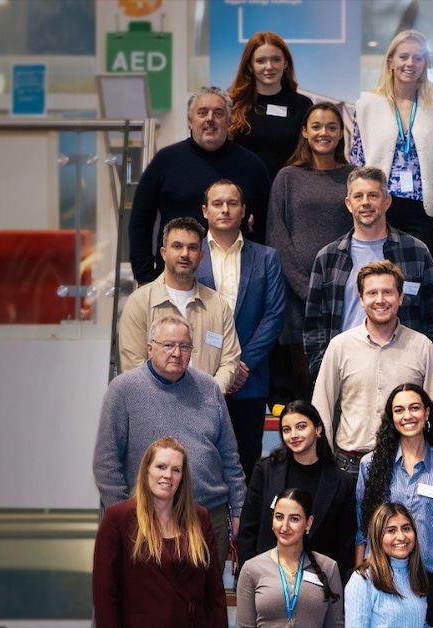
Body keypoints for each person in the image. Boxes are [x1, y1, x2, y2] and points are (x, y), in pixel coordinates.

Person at [94, 315, 246, 562]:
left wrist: (239, 508)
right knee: (152, 598)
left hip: (208, 515)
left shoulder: (208, 388)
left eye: (185, 346)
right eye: (168, 345)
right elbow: (106, 463)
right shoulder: (123, 390)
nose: (177, 353)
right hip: (147, 519)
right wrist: (123, 516)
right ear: (150, 348)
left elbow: (229, 456)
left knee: (206, 598)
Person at [305, 167, 433, 378]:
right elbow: (314, 325)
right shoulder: (328, 258)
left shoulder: (416, 252)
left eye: (373, 195)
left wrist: (423, 367)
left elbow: (432, 319)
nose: (365, 202)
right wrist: (323, 371)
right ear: (349, 204)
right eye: (358, 196)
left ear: (387, 201)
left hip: (404, 371)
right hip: (344, 371)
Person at [312, 261, 433, 476]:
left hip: (405, 465)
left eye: (388, 292)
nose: (380, 300)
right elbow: (321, 409)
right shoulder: (340, 346)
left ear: (400, 297)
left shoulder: (422, 347)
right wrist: (323, 465)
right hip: (349, 465)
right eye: (372, 293)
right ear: (361, 299)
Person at [129, 86, 271, 282]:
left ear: (229, 121)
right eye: (202, 112)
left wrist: (259, 274)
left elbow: (267, 225)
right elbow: (140, 221)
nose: (210, 119)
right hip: (175, 278)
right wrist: (144, 276)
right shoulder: (166, 161)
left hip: (237, 279)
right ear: (190, 121)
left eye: (218, 113)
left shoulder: (251, 165)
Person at [267, 102, 357, 405]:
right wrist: (309, 290)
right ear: (305, 131)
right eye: (316, 126)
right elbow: (278, 238)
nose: (324, 133)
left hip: (345, 298)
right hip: (298, 300)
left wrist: (336, 291)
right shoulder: (287, 178)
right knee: (306, 390)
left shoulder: (353, 177)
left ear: (341, 134)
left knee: (347, 388)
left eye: (332, 127)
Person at [197, 179, 286, 480]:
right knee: (199, 462)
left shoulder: (266, 257)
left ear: (244, 210)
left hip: (250, 378)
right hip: (199, 377)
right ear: (205, 211)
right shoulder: (191, 257)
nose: (225, 209)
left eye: (232, 203)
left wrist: (239, 365)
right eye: (218, 204)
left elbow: (274, 315)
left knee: (246, 463)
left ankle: (241, 527)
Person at [93, 436, 227, 627]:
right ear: (146, 469)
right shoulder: (117, 519)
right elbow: (104, 595)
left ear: (182, 477)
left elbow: (214, 593)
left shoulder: (200, 518)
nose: (168, 475)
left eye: (176, 470)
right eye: (161, 467)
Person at [356, 385, 433, 626]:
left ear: (426, 414)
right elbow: (362, 530)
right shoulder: (370, 465)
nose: (407, 416)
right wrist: (359, 574)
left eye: (414, 408)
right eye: (399, 410)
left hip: (429, 580)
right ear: (391, 418)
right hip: (381, 577)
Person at [350, 30, 433, 260]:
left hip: (423, 207)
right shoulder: (367, 105)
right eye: (403, 57)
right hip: (380, 206)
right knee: (379, 277)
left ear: (424, 63)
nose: (410, 63)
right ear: (390, 61)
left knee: (417, 278)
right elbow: (357, 159)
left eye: (418, 58)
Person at [119, 216, 241, 392]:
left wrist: (208, 397)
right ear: (163, 253)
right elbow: (133, 364)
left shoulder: (218, 305)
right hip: (155, 410)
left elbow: (230, 361)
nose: (185, 254)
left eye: (192, 248)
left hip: (205, 409)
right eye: (177, 246)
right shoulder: (139, 302)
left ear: (201, 255)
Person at [237, 401, 356, 576]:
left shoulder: (342, 482)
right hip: (269, 577)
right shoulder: (266, 471)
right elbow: (248, 529)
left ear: (318, 429)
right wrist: (249, 576)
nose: (293, 435)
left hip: (320, 582)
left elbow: (346, 546)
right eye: (286, 430)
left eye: (301, 427)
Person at [236, 488, 344, 628]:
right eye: (279, 517)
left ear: (308, 523)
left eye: (294, 519)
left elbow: (335, 625)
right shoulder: (252, 568)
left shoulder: (328, 567)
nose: (285, 526)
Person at [227, 32, 313, 179]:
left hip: (288, 192)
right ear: (249, 66)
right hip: (244, 192)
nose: (269, 67)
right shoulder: (232, 104)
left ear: (285, 63)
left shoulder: (302, 106)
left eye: (276, 59)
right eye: (261, 61)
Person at [344, 503, 428, 627]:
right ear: (378, 537)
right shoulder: (362, 580)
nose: (401, 536)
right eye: (391, 530)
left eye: (406, 528)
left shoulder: (416, 577)